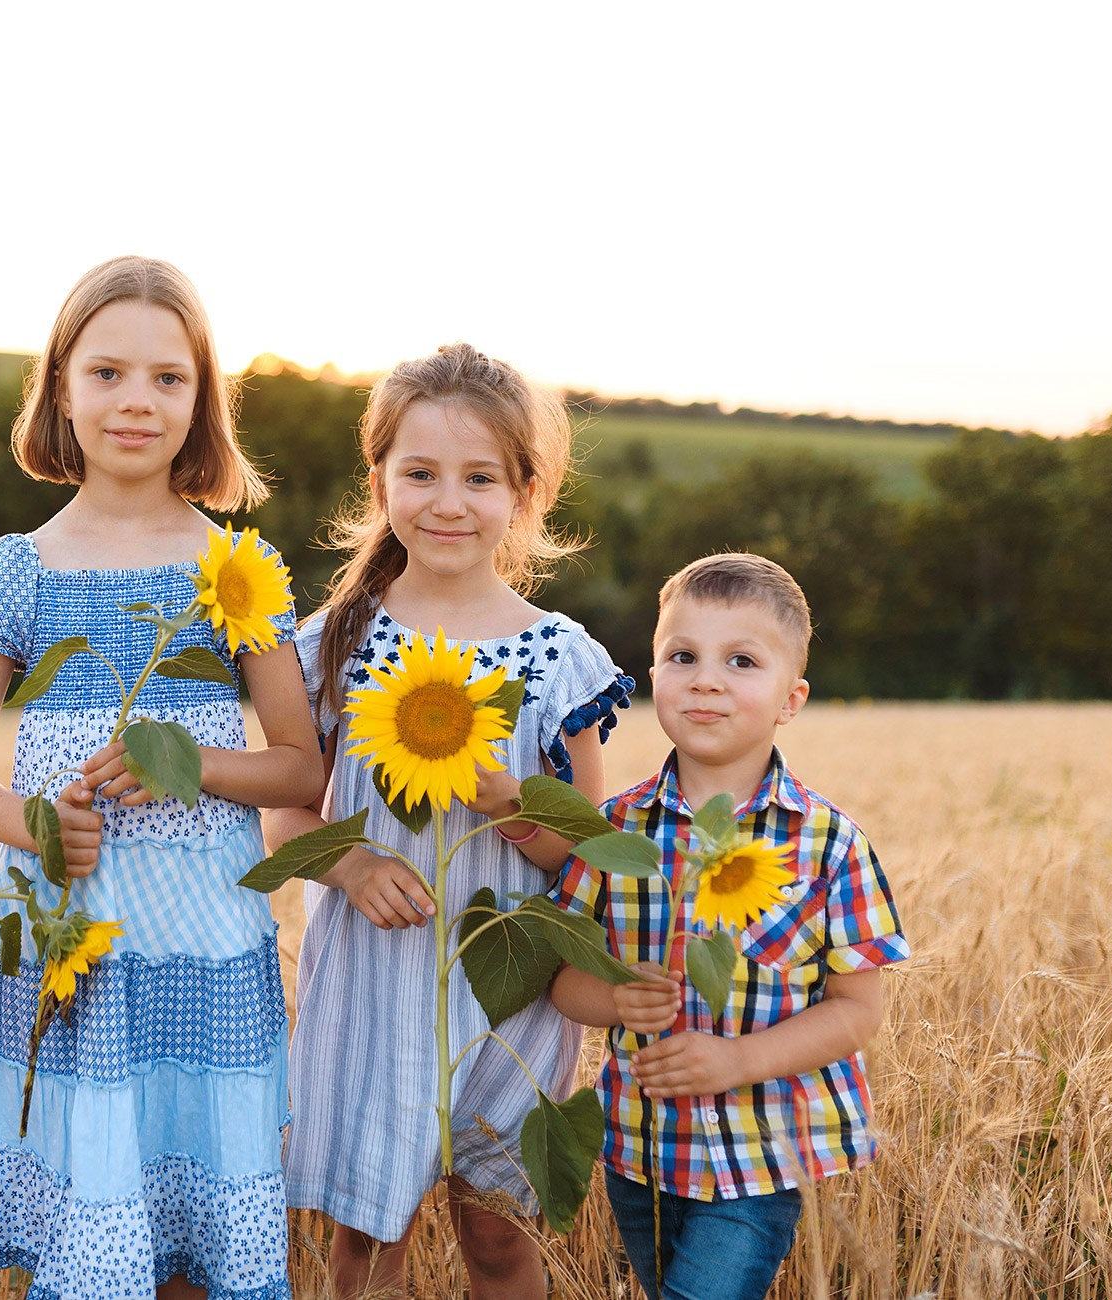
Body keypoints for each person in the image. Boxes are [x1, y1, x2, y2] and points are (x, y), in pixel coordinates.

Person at [0, 256, 323, 1300]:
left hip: (201, 942)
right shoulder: (17, 568)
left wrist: (183, 770)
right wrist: (38, 822)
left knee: (188, 1237)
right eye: (105, 373)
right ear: (58, 388)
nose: (135, 400)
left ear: (201, 403)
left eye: (166, 379)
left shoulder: (236, 572)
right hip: (70, 947)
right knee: (82, 1228)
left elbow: (297, 765)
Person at [267, 343, 634, 1300]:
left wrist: (506, 801)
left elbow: (586, 848)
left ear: (526, 492)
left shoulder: (560, 659)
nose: (448, 502)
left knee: (502, 1240)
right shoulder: (332, 645)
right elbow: (282, 817)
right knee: (365, 1244)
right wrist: (345, 866)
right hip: (368, 983)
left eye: (480, 478)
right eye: (420, 473)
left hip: (509, 996)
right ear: (379, 477)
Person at [548, 552, 910, 1300]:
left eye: (740, 661)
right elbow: (561, 979)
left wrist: (735, 1062)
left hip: (762, 1154)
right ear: (653, 678)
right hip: (641, 1151)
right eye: (682, 656)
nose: (705, 679)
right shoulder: (615, 831)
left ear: (790, 698)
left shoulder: (825, 842)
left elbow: (856, 1010)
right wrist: (615, 998)